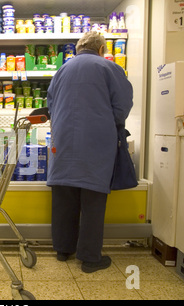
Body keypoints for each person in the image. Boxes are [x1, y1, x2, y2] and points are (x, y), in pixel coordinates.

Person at [46, 31, 133, 273]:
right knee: (93, 198)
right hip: (95, 140)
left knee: (65, 195)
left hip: (62, 141)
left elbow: (51, 104)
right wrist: (108, 122)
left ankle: (63, 249)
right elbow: (122, 106)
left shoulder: (62, 70)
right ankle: (90, 257)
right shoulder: (109, 68)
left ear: (77, 49)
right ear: (101, 50)